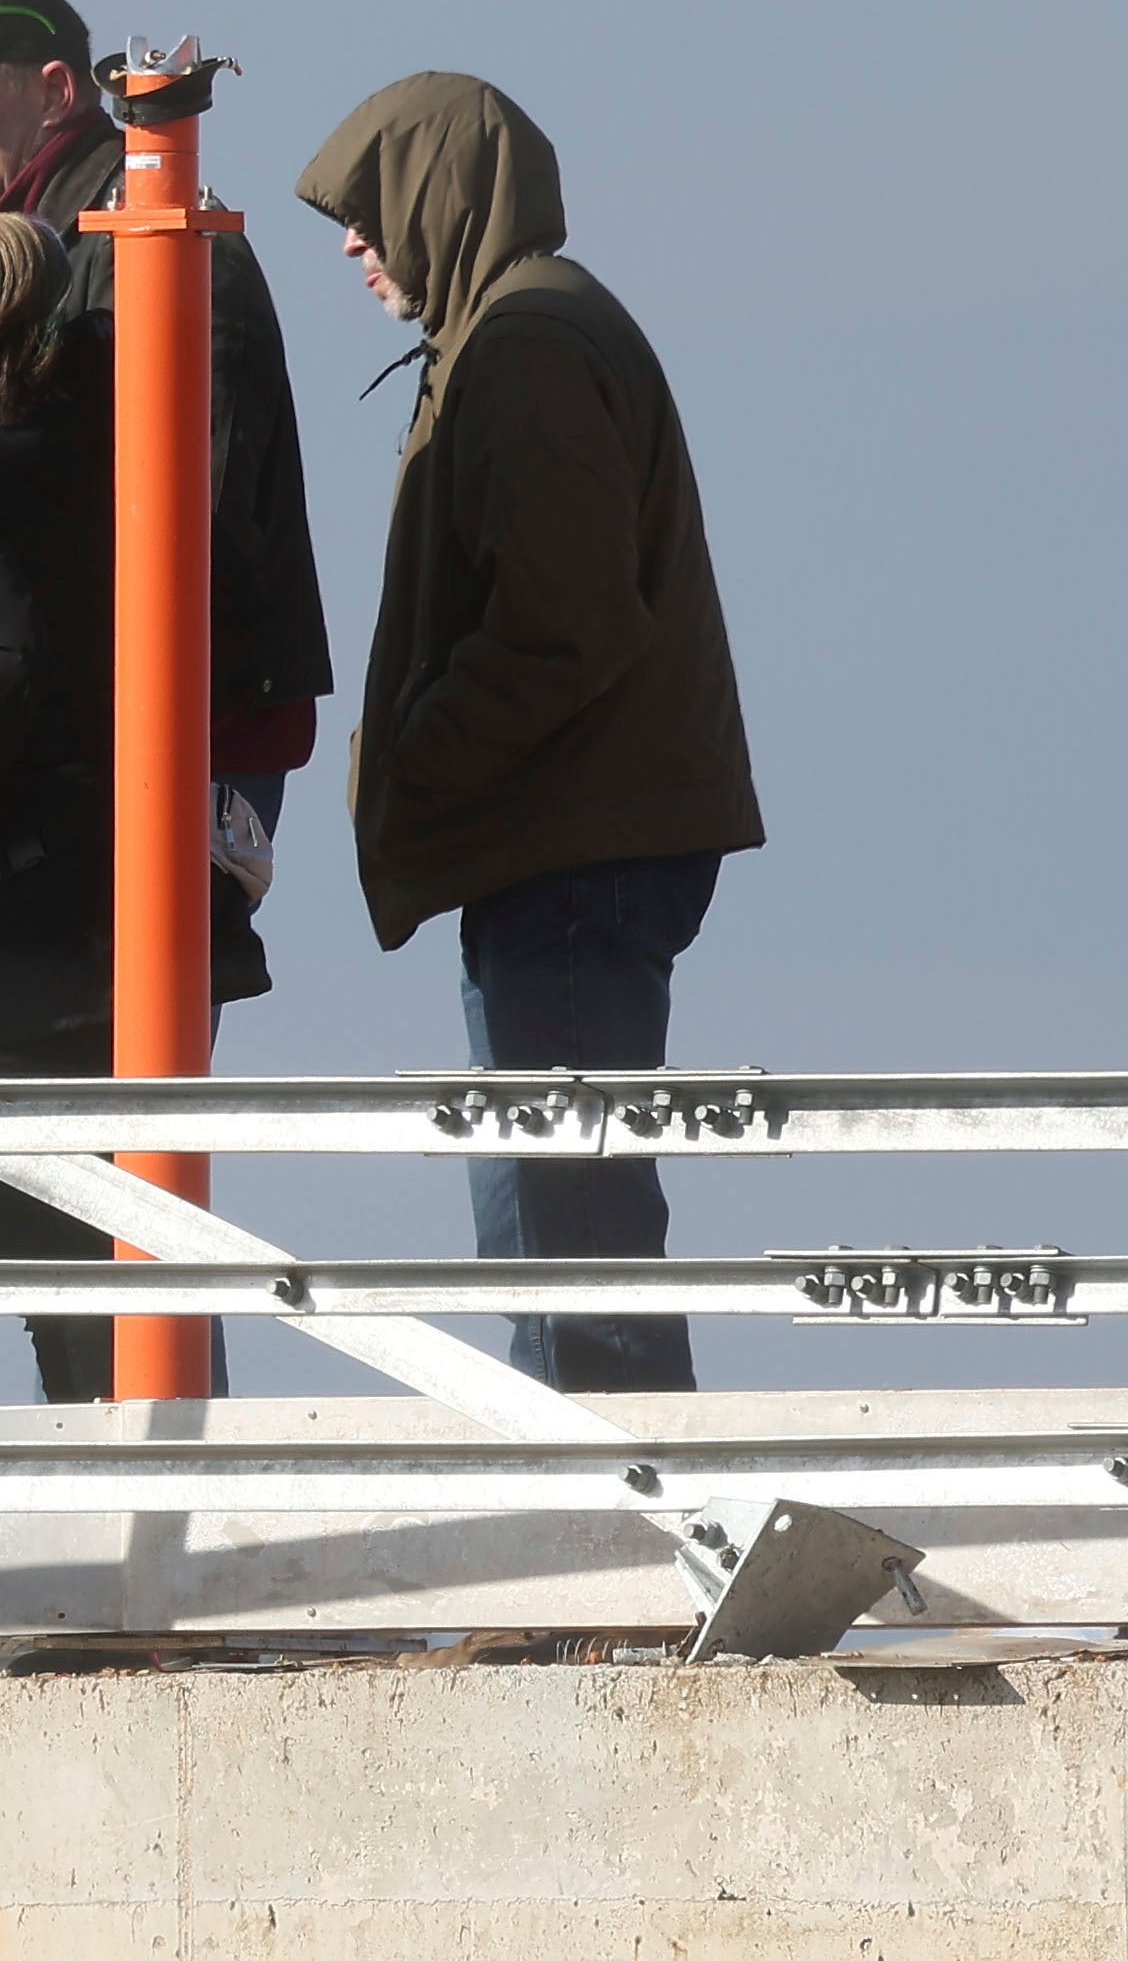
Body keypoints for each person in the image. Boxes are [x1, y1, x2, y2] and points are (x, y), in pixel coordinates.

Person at [293, 74, 763, 1395]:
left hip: (568, 845)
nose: (350, 242)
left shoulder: (526, 349)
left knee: (557, 1215)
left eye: (367, 208)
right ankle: (608, 1540)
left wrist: (420, 759)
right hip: (574, 835)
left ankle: (604, 1553)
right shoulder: (527, 332)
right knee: (562, 1201)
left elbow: (563, 624)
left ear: (437, 197)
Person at [0, 184, 264, 1405]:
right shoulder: (97, 421)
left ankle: (120, 1530)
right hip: (163, 871)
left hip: (46, 898)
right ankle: (172, 1512)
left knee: (52, 1234)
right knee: (153, 1231)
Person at [0, 0, 331, 891]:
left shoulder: (162, 247)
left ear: (55, 88)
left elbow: (199, 524)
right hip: (96, 726)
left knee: (123, 1015)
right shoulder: (42, 252)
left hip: (184, 724)